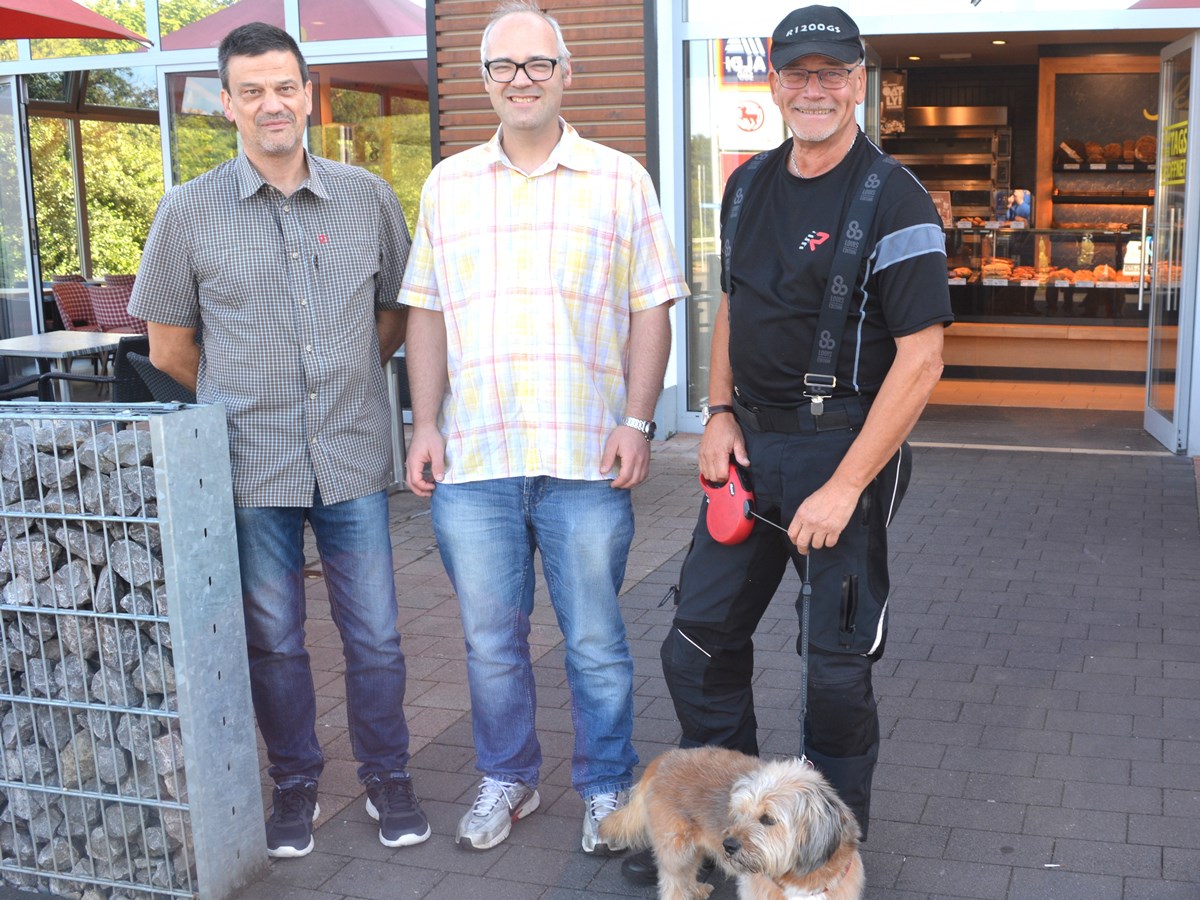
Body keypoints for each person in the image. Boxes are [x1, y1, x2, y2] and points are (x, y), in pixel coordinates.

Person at [623, 3, 952, 885]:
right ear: (773, 81)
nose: (814, 89)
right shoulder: (747, 185)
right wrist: (717, 411)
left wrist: (846, 484)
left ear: (857, 83)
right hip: (750, 449)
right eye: (797, 73)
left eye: (831, 74)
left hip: (842, 452)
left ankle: (825, 856)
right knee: (695, 645)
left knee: (834, 678)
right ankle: (737, 832)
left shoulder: (897, 197)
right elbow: (732, 303)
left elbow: (922, 361)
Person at [128, 22, 428, 859]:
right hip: (247, 466)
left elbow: (396, 314)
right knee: (274, 639)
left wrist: (340, 383)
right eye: (251, 90)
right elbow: (170, 348)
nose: (271, 104)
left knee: (375, 634)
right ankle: (295, 782)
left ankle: (387, 774)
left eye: (284, 87)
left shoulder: (367, 197)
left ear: (308, 94)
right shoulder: (187, 212)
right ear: (225, 104)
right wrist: (236, 409)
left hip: (353, 458)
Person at [398, 0, 688, 856]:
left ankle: (605, 790)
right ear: (483, 80)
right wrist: (423, 424)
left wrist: (639, 420)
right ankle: (509, 779)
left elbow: (652, 308)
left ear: (567, 74)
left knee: (596, 641)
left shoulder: (619, 177)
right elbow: (426, 312)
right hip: (477, 459)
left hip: (584, 459)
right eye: (503, 67)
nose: (520, 80)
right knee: (491, 646)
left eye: (537, 65)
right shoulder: (447, 183)